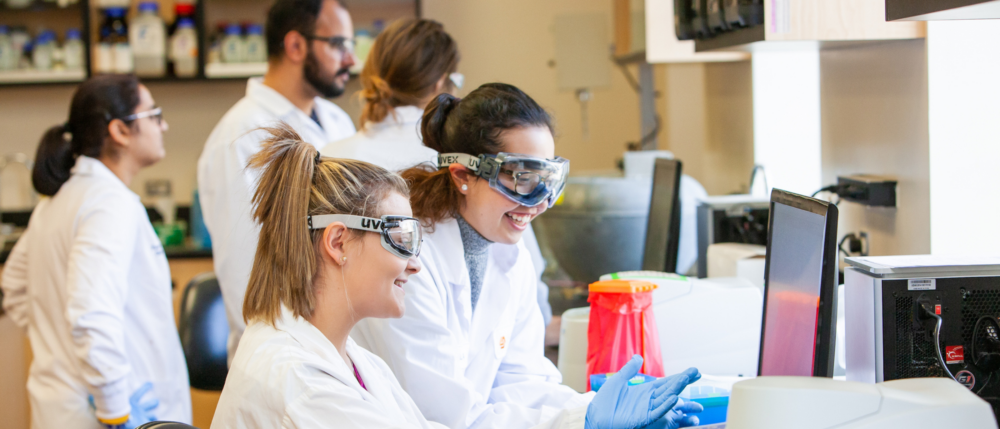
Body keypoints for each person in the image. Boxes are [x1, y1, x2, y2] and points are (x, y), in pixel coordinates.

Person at [211, 125, 698, 429]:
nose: (416, 264)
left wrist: (578, 417)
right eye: (400, 237)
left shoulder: (350, 360)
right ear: (337, 242)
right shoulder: (303, 383)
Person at [352, 83, 704, 429]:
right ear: (462, 175)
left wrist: (596, 407)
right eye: (523, 179)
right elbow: (446, 415)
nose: (539, 203)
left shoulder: (509, 252)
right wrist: (585, 421)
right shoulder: (407, 261)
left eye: (549, 180)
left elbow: (522, 379)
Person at [323, 17, 555, 326]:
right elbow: (524, 263)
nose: (537, 202)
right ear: (439, 84)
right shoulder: (451, 160)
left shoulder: (332, 156)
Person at [1, 75, 191, 428]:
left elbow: (13, 283)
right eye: (153, 114)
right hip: (106, 414)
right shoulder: (108, 204)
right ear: (120, 131)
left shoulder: (61, 196)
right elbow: (91, 313)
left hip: (62, 406)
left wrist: (59, 345)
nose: (163, 125)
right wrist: (115, 409)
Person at [197, 0, 357, 360]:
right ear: (296, 46)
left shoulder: (336, 120)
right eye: (338, 45)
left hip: (336, 345)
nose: (351, 60)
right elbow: (246, 273)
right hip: (282, 356)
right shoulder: (242, 136)